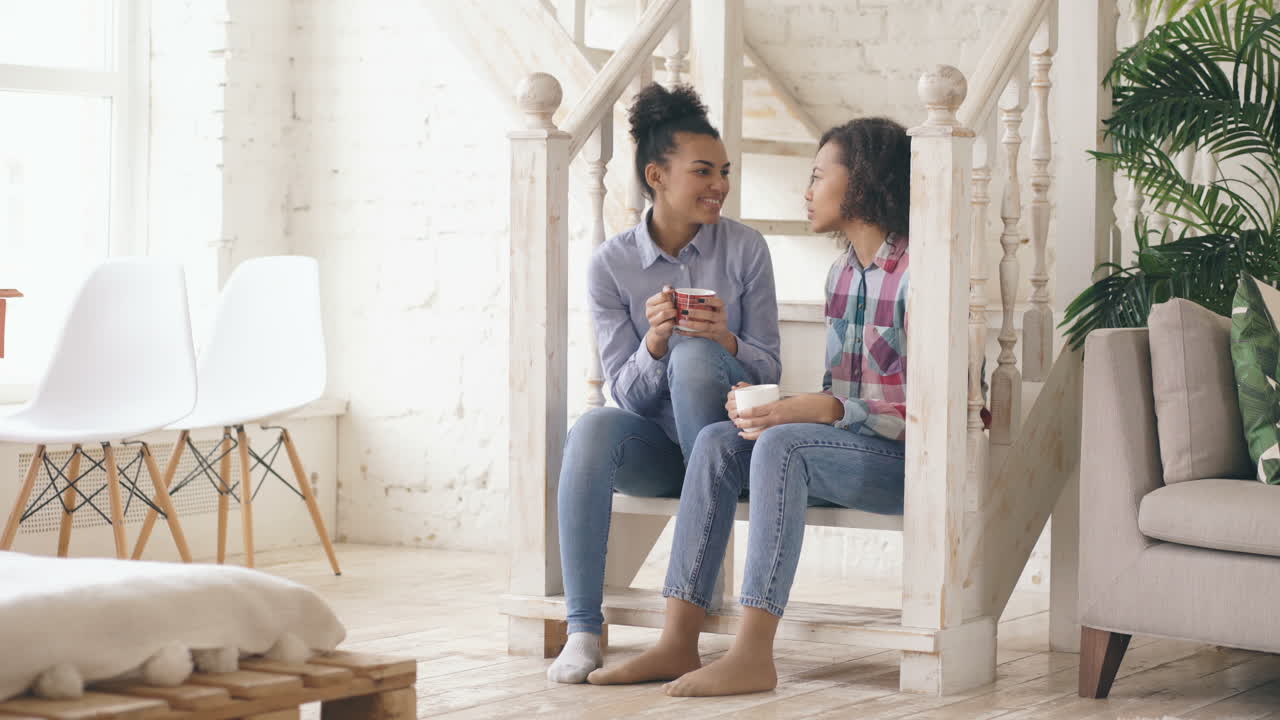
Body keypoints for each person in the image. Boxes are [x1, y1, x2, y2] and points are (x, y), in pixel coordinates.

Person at [587, 117, 911, 696]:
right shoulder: (842, 274)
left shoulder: (922, 275)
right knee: (715, 440)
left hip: (907, 464)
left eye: (817, 177)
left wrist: (819, 412)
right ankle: (678, 640)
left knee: (784, 444)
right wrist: (788, 407)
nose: (806, 191)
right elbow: (843, 395)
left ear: (860, 184)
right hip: (849, 450)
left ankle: (754, 653)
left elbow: (932, 410)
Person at [546, 83, 781, 684]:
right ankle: (583, 629)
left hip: (730, 449)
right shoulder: (611, 264)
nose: (719, 185)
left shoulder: (746, 249)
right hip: (661, 450)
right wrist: (653, 343)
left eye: (724, 171)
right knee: (594, 426)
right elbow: (625, 392)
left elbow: (770, 371)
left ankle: (682, 628)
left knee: (697, 359)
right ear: (657, 175)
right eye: (703, 171)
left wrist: (725, 340)